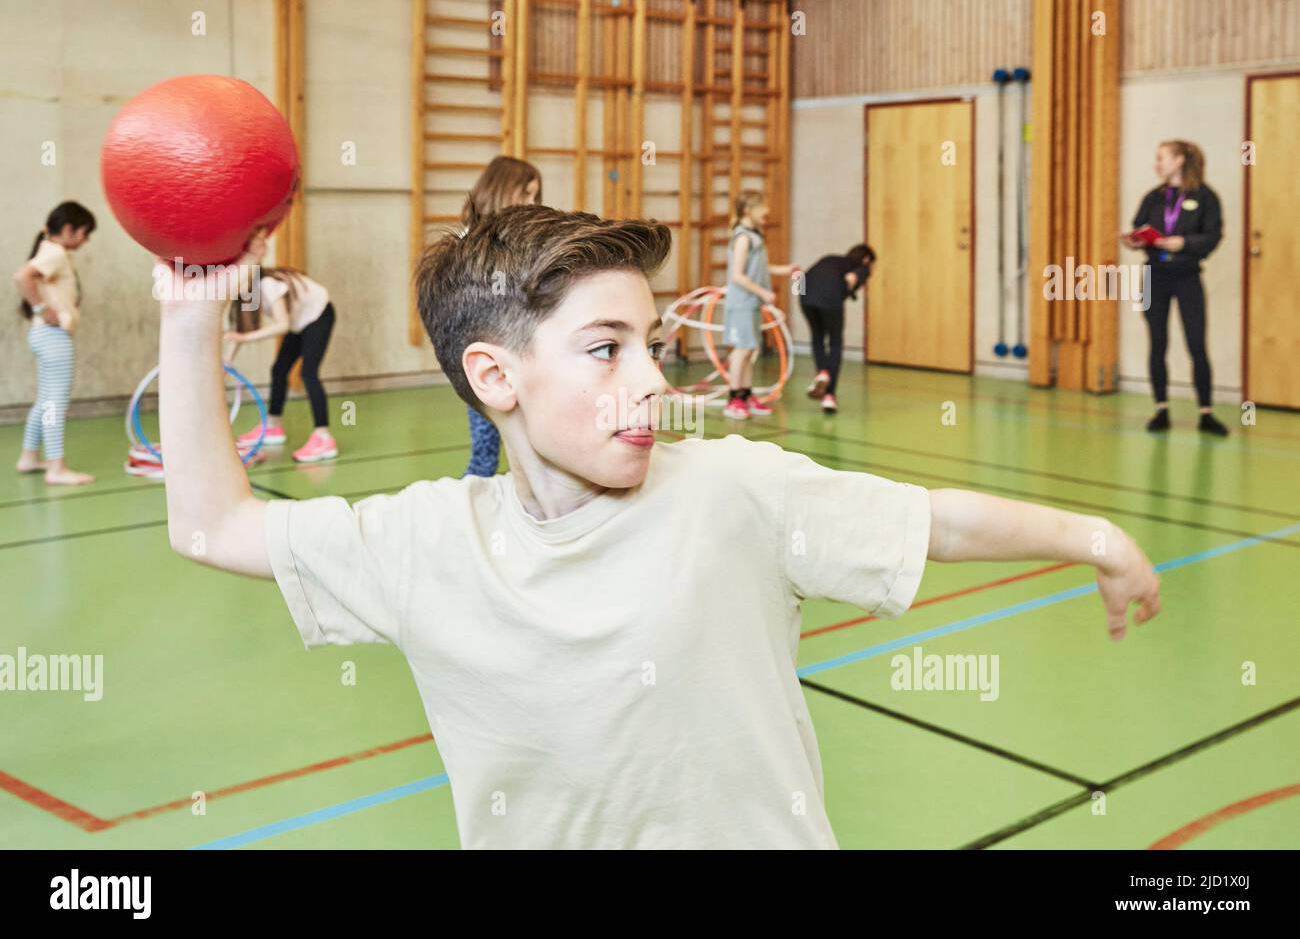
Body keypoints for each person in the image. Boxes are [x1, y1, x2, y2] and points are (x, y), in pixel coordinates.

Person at [156, 205, 1161, 849]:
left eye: (652, 343)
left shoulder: (731, 490)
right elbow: (209, 525)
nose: (651, 378)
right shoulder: (425, 543)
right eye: (606, 348)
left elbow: (931, 518)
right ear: (494, 377)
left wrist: (1096, 537)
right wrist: (194, 313)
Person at [1122, 140, 1227, 436]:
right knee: (1157, 343)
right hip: (1155, 275)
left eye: (1161, 158)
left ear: (1179, 161)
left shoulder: (1205, 197)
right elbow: (1139, 227)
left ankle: (1206, 412)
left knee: (1196, 343)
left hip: (1187, 277)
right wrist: (1134, 240)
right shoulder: (1154, 198)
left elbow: (1213, 235)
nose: (1157, 164)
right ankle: (1161, 408)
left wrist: (1185, 243)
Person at [457, 155, 542, 477]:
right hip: (486, 355)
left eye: (535, 195)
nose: (531, 202)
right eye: (525, 194)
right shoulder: (470, 240)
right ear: (503, 190)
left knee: (533, 440)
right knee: (485, 447)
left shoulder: (522, 238)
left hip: (521, 348)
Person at [226, 230, 338, 463]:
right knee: (279, 370)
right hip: (300, 322)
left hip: (319, 315)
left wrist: (246, 339)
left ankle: (324, 437)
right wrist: (227, 361)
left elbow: (282, 325)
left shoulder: (266, 284)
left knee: (309, 373)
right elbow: (241, 331)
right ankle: (273, 425)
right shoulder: (247, 293)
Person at [13, 201, 97, 485]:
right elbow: (22, 276)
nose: (86, 240)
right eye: (85, 233)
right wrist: (40, 308)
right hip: (53, 337)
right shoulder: (56, 252)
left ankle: (29, 456)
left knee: (45, 400)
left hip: (44, 336)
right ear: (69, 229)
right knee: (55, 403)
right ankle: (56, 467)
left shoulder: (53, 251)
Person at [720, 190, 797, 420]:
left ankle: (746, 394)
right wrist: (763, 291)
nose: (767, 211)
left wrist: (784, 270)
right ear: (747, 210)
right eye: (762, 207)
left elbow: (759, 268)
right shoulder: (742, 237)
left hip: (752, 304)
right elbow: (737, 276)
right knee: (741, 351)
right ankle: (734, 399)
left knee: (750, 349)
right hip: (742, 303)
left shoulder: (755, 236)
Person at [798, 244, 875, 414]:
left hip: (804, 296)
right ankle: (829, 396)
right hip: (830, 297)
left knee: (817, 337)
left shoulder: (830, 259)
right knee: (835, 341)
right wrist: (858, 276)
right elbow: (855, 276)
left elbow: (803, 277)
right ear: (866, 259)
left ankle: (822, 372)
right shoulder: (861, 266)